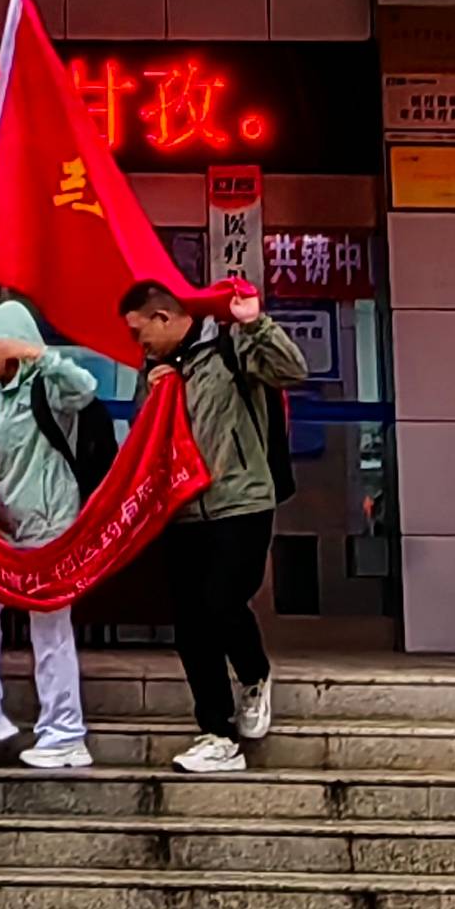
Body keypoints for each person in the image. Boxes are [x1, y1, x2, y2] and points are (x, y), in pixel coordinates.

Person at [131, 274, 305, 773]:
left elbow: (292, 370)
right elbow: (147, 437)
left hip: (241, 501)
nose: (139, 343)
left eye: (140, 331)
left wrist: (257, 324)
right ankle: (216, 733)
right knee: (190, 624)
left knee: (222, 601)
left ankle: (253, 674)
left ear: (164, 317)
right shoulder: (156, 369)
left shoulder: (231, 346)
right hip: (181, 509)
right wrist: (150, 395)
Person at [0, 284, 99, 774]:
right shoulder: (4, 395)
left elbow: (85, 388)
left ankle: (65, 732)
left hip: (51, 526)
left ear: (13, 341)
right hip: (10, 529)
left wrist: (38, 354)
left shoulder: (45, 384)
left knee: (49, 626)